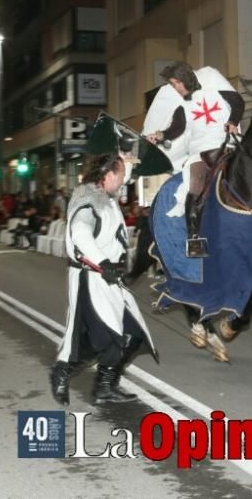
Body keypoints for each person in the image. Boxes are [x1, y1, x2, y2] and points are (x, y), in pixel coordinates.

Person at [50, 153, 157, 406]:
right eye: (119, 176)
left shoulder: (105, 196)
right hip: (93, 279)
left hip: (110, 279)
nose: (123, 181)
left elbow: (120, 175)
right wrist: (103, 263)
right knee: (104, 338)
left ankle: (105, 386)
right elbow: (80, 233)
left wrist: (127, 161)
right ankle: (63, 370)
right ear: (107, 176)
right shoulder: (89, 200)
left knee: (133, 335)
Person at [142, 61, 244, 257]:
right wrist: (160, 135)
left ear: (183, 80)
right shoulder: (183, 106)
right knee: (195, 185)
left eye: (175, 83)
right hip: (201, 153)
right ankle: (194, 238)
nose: (175, 88)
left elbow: (237, 102)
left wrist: (232, 121)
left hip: (227, 146)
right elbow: (177, 129)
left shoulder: (215, 91)